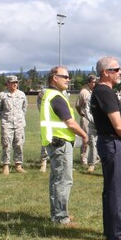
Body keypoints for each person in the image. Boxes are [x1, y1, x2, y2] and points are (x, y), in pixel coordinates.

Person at [91, 57, 121, 240]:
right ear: (105, 72)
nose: (120, 72)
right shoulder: (105, 92)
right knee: (117, 188)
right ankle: (117, 234)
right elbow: (118, 125)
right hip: (111, 142)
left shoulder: (101, 91)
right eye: (116, 69)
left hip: (108, 142)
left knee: (111, 188)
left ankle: (112, 229)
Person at [40, 66, 88, 226]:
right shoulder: (56, 97)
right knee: (64, 180)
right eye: (65, 76)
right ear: (54, 77)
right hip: (60, 143)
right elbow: (70, 123)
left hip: (52, 142)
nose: (68, 79)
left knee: (56, 180)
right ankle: (61, 217)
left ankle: (57, 214)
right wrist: (84, 135)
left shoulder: (48, 95)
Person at [0, 75, 28, 174]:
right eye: (13, 82)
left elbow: (24, 108)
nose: (15, 84)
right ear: (8, 84)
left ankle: (18, 165)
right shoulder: (2, 95)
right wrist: (4, 118)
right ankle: (6, 166)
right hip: (7, 124)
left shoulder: (22, 94)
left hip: (19, 124)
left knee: (19, 144)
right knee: (6, 144)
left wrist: (19, 117)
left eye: (16, 82)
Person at [77, 75, 98, 172]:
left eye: (96, 82)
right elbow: (78, 105)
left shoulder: (96, 91)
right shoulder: (84, 92)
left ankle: (95, 157)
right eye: (93, 82)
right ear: (89, 82)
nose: (95, 83)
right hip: (86, 118)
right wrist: (81, 113)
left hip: (96, 118)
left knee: (95, 140)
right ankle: (84, 158)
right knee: (86, 138)